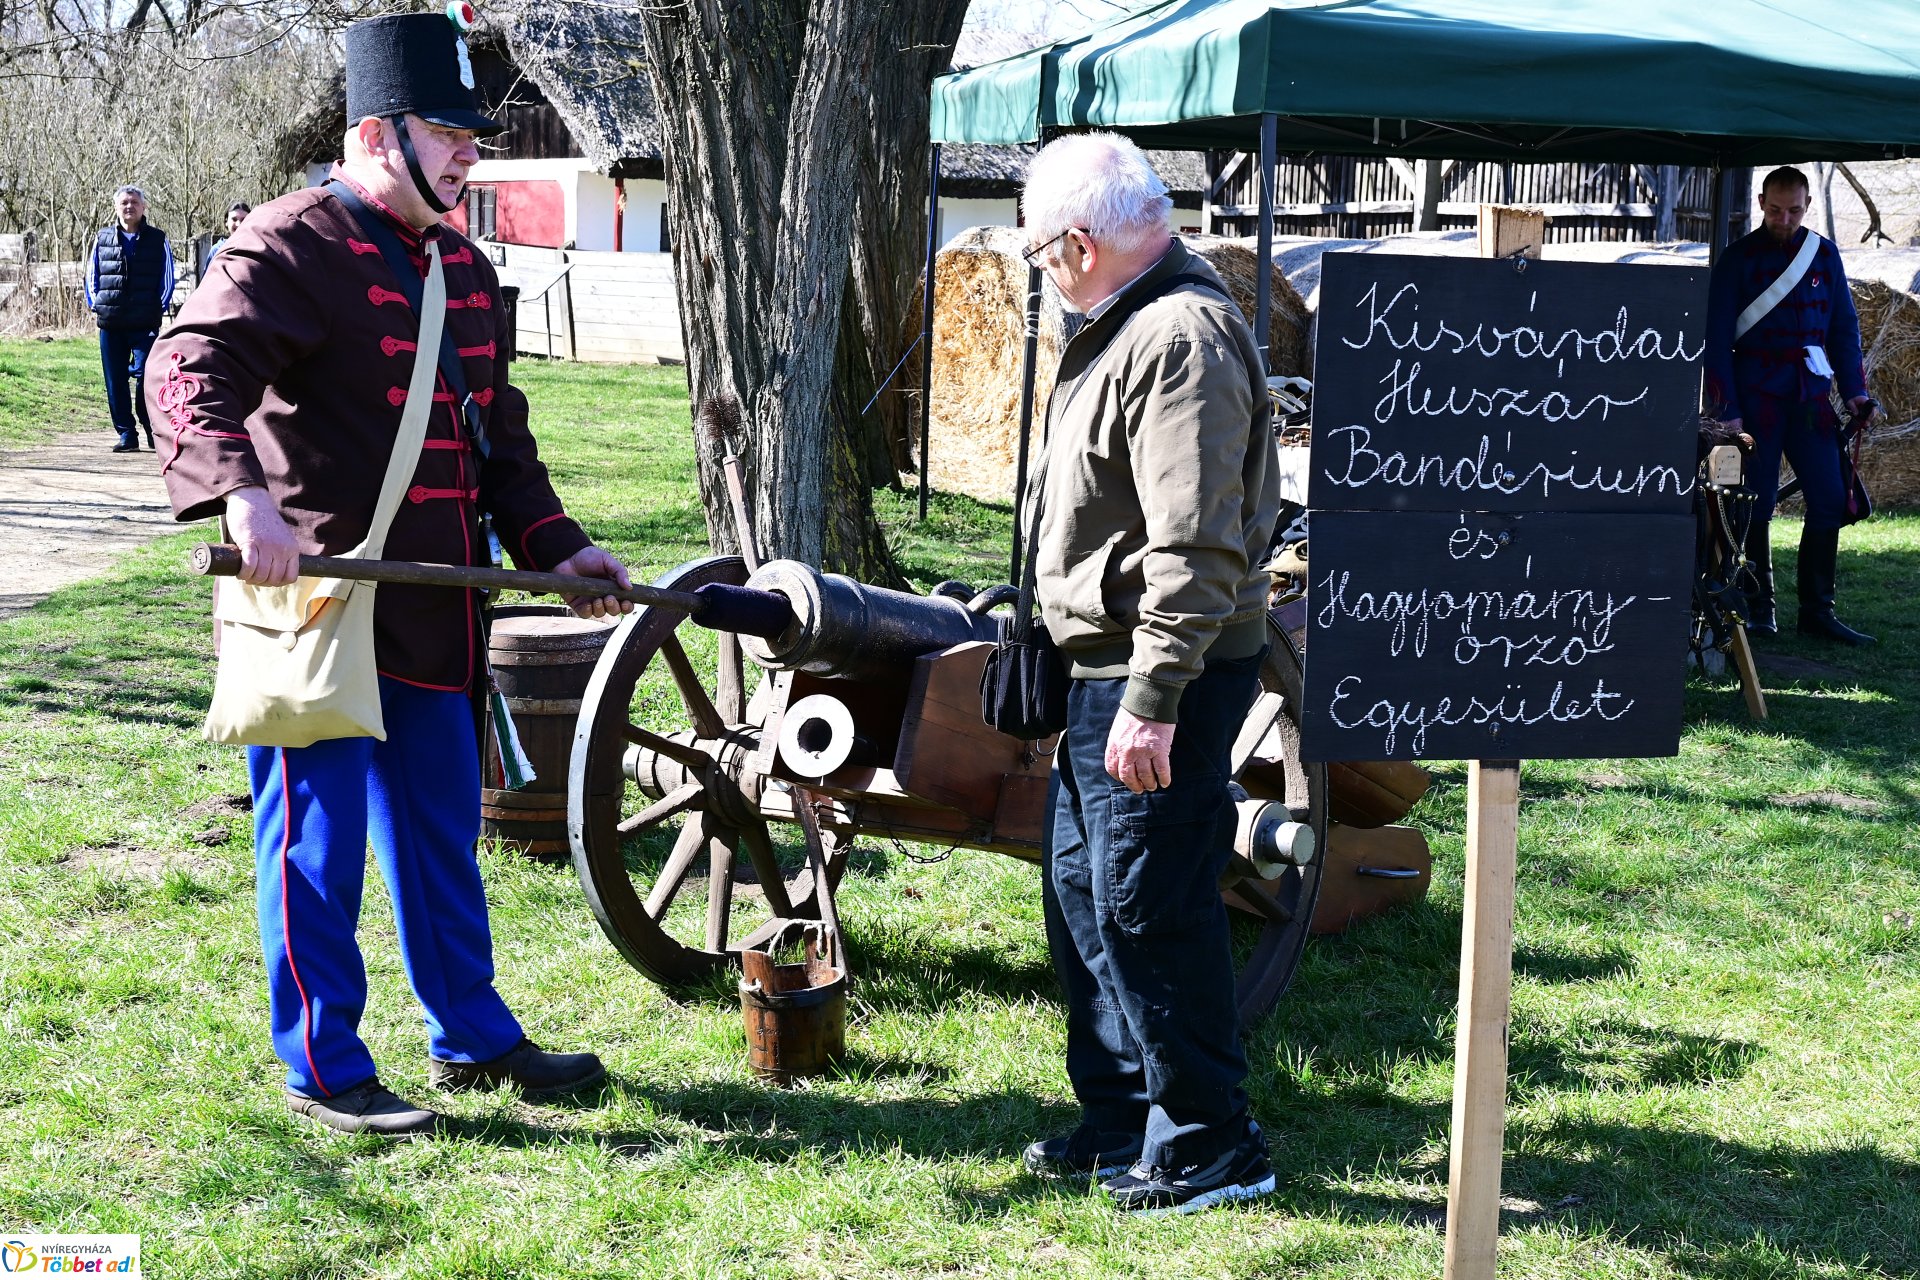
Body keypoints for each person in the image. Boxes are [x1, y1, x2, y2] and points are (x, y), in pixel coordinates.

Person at [147, 10, 632, 1139]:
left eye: (474, 134)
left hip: (435, 611)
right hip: (315, 602)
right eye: (452, 132)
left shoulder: (460, 266)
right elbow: (187, 365)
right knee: (310, 849)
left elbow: (495, 437)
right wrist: (241, 494)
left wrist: (558, 548)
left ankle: (470, 1029)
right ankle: (323, 1063)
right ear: (378, 133)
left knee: (439, 833)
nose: (473, 153)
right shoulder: (289, 240)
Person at [1017, 133, 1282, 1215]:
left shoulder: (1178, 336)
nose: (1039, 268)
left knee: (1151, 901)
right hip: (1100, 664)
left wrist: (1152, 696)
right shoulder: (1126, 322)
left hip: (1151, 670)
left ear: (1080, 244)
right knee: (1089, 897)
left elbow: (1197, 546)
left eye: (1040, 251)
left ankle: (1215, 1139)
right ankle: (1127, 1114)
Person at [1705, 165, 1877, 645]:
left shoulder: (1824, 254)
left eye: (1795, 211)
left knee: (1828, 498)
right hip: (1755, 395)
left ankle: (1817, 612)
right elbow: (1716, 341)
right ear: (1761, 203)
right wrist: (1727, 410)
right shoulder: (1737, 259)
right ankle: (1760, 609)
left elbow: (1843, 329)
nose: (1785, 219)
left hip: (1808, 397)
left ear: (1807, 206)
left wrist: (1855, 391)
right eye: (1776, 210)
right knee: (1755, 503)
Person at [86, 185, 173, 452]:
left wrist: (156, 308)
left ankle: (151, 430)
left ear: (144, 207)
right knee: (115, 380)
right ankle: (126, 433)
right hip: (111, 323)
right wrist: (97, 306)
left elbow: (167, 278)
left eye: (134, 202)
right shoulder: (102, 238)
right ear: (116, 207)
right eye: (124, 202)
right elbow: (92, 277)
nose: (129, 207)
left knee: (147, 378)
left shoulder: (158, 239)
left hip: (144, 323)